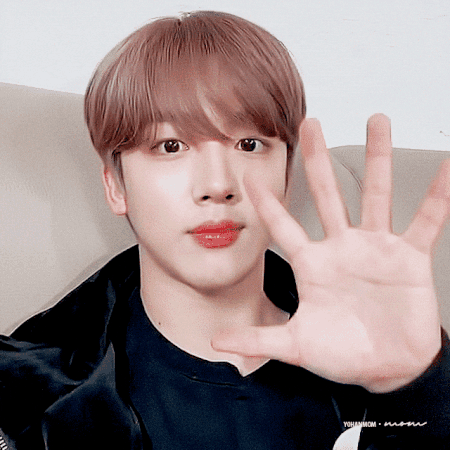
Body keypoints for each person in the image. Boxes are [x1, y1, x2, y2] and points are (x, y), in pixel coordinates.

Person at [1, 10, 450, 450]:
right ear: (116, 186)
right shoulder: (26, 399)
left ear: (286, 176)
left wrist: (418, 387)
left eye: (248, 144)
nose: (217, 185)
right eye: (170, 146)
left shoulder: (373, 355)